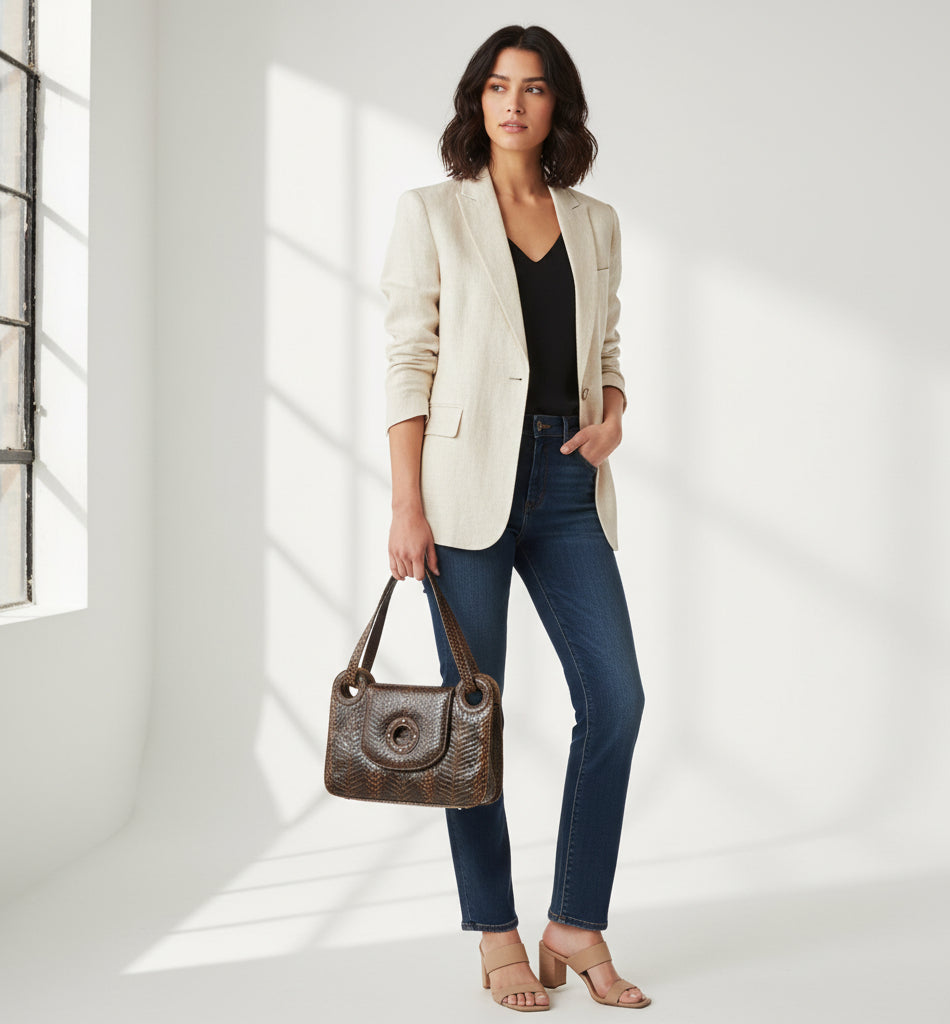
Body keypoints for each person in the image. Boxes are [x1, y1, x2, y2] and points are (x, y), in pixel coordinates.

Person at [380, 25, 650, 1012]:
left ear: (556, 107)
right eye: (497, 86)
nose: (513, 103)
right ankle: (494, 931)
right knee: (472, 720)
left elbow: (606, 348)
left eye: (533, 88)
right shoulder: (433, 212)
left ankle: (575, 922)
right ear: (475, 101)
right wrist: (407, 503)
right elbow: (408, 359)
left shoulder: (595, 221)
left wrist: (613, 417)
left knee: (614, 700)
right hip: (459, 493)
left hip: (568, 484)